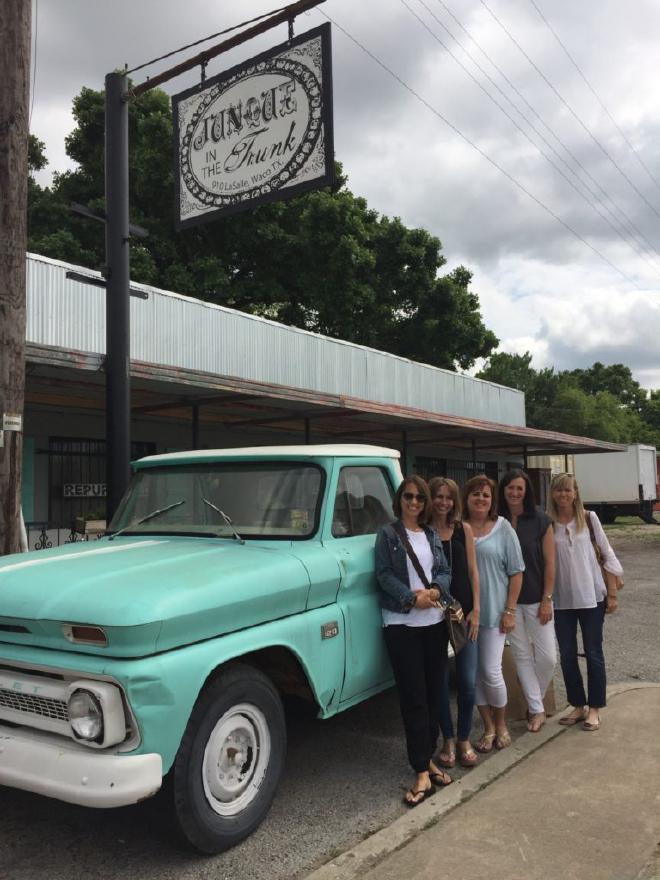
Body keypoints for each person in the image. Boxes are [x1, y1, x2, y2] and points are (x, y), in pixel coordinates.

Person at [375, 475, 453, 807]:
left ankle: (429, 757)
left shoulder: (432, 534)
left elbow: (445, 570)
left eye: (420, 498)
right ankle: (420, 768)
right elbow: (383, 574)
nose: (414, 503)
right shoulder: (388, 535)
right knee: (414, 698)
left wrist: (435, 590)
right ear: (400, 499)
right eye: (409, 497)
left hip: (434, 623)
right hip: (402, 624)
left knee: (436, 694)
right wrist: (411, 599)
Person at [547, 473, 623, 731]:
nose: (563, 495)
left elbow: (607, 554)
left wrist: (612, 593)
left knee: (593, 653)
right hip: (561, 600)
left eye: (567, 490)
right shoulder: (548, 523)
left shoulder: (589, 519)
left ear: (576, 493)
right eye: (558, 490)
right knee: (567, 655)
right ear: (552, 494)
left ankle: (594, 708)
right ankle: (577, 705)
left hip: (591, 597)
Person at [462, 474, 524, 752]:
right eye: (475, 493)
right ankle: (487, 726)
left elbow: (516, 572)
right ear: (466, 498)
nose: (480, 499)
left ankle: (501, 724)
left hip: (494, 613)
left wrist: (509, 610)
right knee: (473, 676)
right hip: (465, 616)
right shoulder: (458, 528)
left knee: (491, 671)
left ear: (492, 500)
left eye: (485, 494)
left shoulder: (503, 528)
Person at [498, 469, 556, 733]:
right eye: (510, 487)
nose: (514, 492)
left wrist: (547, 598)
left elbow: (550, 564)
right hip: (507, 602)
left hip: (536, 599)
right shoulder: (494, 520)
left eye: (519, 488)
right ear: (504, 490)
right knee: (521, 656)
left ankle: (534, 696)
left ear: (527, 491)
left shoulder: (541, 521)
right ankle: (536, 709)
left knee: (547, 658)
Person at [428, 476, 480, 769]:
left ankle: (463, 738)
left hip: (464, 614)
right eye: (438, 496)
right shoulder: (422, 532)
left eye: (448, 497)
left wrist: (478, 610)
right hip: (434, 616)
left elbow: (473, 573)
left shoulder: (464, 530)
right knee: (438, 681)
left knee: (467, 681)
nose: (443, 502)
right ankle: (447, 739)